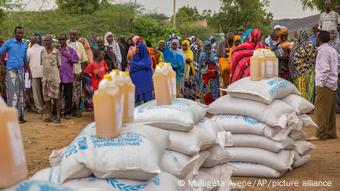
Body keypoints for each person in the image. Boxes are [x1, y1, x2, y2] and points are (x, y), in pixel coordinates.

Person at [308, 30, 338, 141]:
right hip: (332, 83)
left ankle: (320, 133)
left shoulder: (323, 51)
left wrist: (321, 83)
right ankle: (331, 132)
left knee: (320, 109)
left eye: (317, 37)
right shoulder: (332, 50)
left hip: (324, 84)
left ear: (320, 39)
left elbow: (325, 69)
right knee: (330, 109)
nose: (316, 39)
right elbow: (337, 64)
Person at [0, 26, 30, 123]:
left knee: (21, 94)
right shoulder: (9, 43)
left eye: (21, 33)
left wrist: (29, 71)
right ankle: (11, 118)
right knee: (12, 94)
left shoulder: (24, 45)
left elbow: (25, 60)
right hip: (11, 71)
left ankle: (20, 117)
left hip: (21, 71)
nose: (20, 35)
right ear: (15, 33)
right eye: (18, 33)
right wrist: (3, 67)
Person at [289, 30, 317, 104]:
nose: (297, 37)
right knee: (299, 89)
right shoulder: (298, 44)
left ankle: (306, 105)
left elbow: (302, 56)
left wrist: (295, 56)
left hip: (306, 70)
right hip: (297, 71)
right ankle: (300, 105)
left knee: (305, 89)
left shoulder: (309, 45)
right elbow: (293, 54)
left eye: (298, 36)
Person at [67, 29, 88, 117]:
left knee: (78, 92)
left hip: (77, 72)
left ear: (76, 35)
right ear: (69, 35)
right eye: (71, 34)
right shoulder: (66, 44)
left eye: (74, 34)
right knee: (68, 92)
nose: (72, 36)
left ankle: (77, 109)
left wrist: (82, 72)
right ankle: (69, 110)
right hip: (67, 73)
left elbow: (83, 60)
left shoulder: (80, 45)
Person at [58, 33, 79, 120]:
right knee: (57, 96)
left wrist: (67, 55)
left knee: (68, 95)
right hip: (58, 77)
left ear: (66, 39)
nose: (61, 41)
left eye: (63, 39)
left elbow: (76, 60)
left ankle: (67, 112)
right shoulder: (56, 50)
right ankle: (57, 112)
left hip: (68, 76)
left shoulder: (70, 50)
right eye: (60, 40)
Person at [41, 35, 62, 123]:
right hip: (45, 78)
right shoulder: (42, 52)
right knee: (47, 98)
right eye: (45, 41)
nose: (46, 42)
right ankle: (50, 116)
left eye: (47, 41)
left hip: (54, 78)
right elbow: (42, 64)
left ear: (51, 41)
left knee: (56, 97)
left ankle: (58, 116)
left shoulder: (56, 52)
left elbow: (59, 65)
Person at [27, 36, 45, 114]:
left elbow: (26, 61)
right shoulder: (43, 49)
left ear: (31, 42)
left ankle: (39, 108)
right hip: (44, 72)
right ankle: (47, 107)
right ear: (38, 41)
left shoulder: (29, 50)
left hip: (33, 73)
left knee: (36, 92)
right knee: (45, 91)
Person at [199, 40, 220, 105]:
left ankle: (214, 102)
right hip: (206, 76)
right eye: (206, 46)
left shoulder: (212, 53)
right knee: (206, 90)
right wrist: (207, 56)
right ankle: (206, 103)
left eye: (209, 46)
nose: (208, 48)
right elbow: (202, 65)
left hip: (213, 75)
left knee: (214, 88)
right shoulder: (202, 54)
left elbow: (215, 63)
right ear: (204, 47)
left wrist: (216, 70)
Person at [329, 30, 340, 113]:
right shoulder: (330, 43)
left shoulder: (337, 44)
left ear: (335, 34)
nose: (330, 35)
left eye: (331, 33)